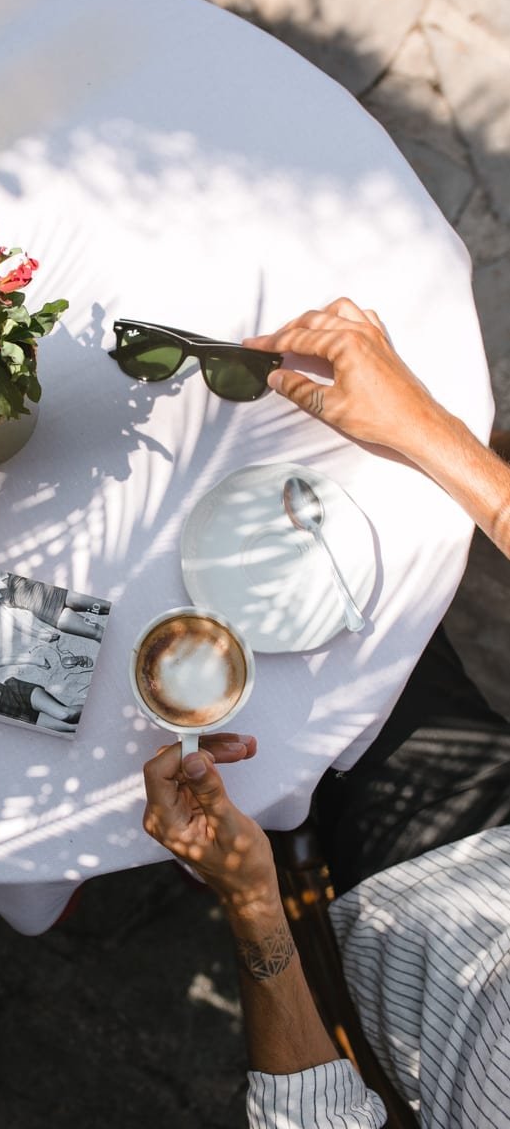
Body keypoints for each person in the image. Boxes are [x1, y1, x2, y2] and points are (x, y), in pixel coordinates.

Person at [143, 298, 510, 1128]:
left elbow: (316, 1119)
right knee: (372, 635)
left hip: (404, 926)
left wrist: (252, 906)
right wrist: (424, 427)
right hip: (490, 821)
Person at [0, 561, 110, 642]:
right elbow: (14, 622)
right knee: (96, 632)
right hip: (49, 613)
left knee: (105, 606)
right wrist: (39, 635)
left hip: (57, 591)